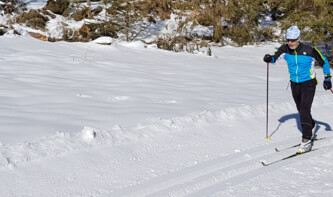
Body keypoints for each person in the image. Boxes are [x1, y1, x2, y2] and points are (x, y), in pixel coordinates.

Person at [263, 26, 331, 153]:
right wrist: (269, 58)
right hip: (294, 84)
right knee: (300, 110)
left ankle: (306, 140)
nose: (290, 42)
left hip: (309, 84)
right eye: (288, 40)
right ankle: (311, 124)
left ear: (298, 39)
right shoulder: (285, 49)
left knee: (305, 109)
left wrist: (327, 78)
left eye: (293, 40)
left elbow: (324, 61)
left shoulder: (309, 50)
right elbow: (274, 58)